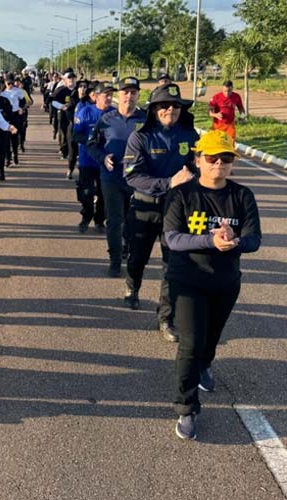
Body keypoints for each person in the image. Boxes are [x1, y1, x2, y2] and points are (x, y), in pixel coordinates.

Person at [164, 130, 261, 440]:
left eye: (226, 158)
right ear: (198, 160)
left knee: (211, 338)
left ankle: (206, 363)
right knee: (190, 344)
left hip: (225, 282)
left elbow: (254, 239)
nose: (219, 163)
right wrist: (209, 239)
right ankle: (187, 407)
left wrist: (235, 241)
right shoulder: (182, 194)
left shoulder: (242, 195)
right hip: (188, 281)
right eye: (212, 158)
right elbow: (172, 238)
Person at [123, 83, 199, 342]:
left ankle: (165, 318)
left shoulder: (190, 135)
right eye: (164, 105)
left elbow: (196, 168)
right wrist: (168, 183)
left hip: (177, 211)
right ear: (154, 109)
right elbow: (132, 177)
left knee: (173, 266)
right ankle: (132, 287)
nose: (170, 110)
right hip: (145, 208)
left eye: (176, 106)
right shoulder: (140, 137)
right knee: (138, 258)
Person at [87, 77, 146, 278]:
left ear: (138, 95)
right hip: (111, 177)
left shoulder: (146, 120)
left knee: (133, 221)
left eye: (133, 92)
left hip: (138, 179)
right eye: (125, 92)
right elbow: (92, 145)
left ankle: (126, 249)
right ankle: (114, 261)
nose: (129, 96)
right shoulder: (106, 120)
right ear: (118, 95)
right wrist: (103, 158)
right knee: (114, 220)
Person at [72, 82, 111, 233]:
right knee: (86, 193)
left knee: (103, 193)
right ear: (96, 96)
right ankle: (86, 216)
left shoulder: (114, 113)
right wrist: (92, 140)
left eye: (110, 95)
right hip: (87, 160)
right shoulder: (85, 112)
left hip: (106, 162)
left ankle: (100, 220)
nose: (108, 98)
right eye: (105, 95)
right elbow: (76, 135)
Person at [51, 70, 76, 166]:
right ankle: (64, 151)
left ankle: (73, 152)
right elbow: (53, 102)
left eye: (73, 78)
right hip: (64, 115)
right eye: (69, 78)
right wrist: (62, 106)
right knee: (64, 133)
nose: (72, 80)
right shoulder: (61, 90)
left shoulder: (78, 90)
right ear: (65, 80)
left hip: (76, 116)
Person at [2, 76, 25, 166]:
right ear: (5, 83)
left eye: (12, 83)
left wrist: (21, 108)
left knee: (14, 137)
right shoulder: (3, 93)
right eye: (8, 83)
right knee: (7, 138)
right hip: (7, 116)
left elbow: (22, 101)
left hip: (15, 115)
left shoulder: (18, 91)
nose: (10, 85)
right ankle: (8, 158)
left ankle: (15, 154)